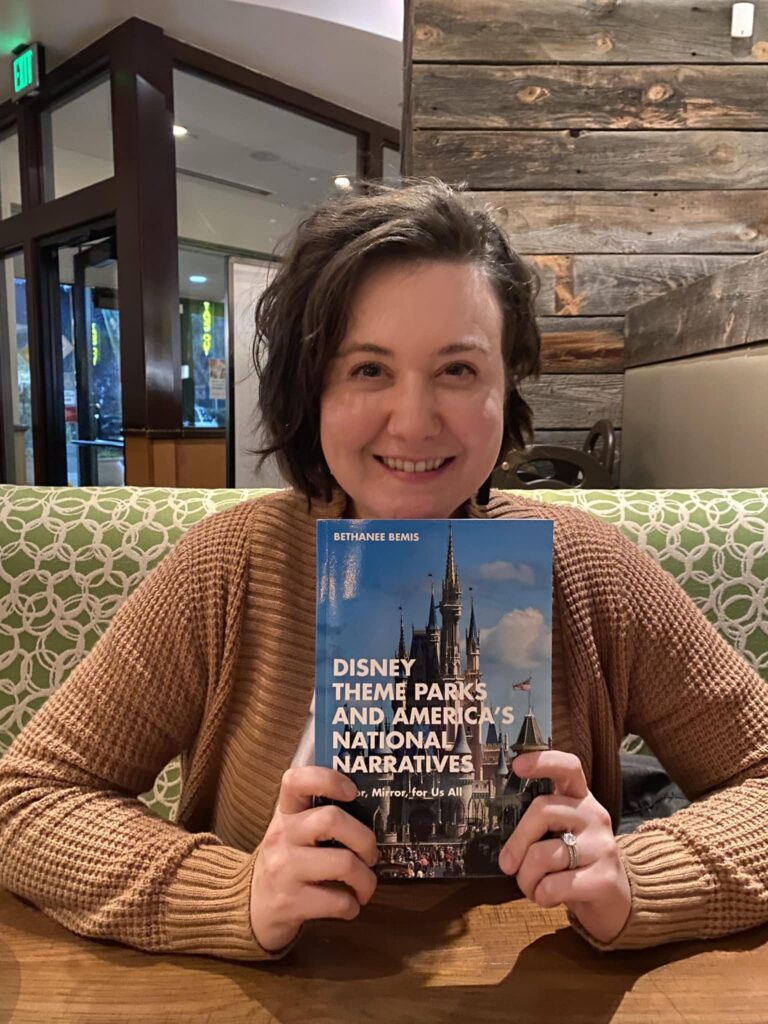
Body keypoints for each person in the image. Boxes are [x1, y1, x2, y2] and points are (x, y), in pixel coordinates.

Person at [0, 179, 766, 961]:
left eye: (458, 371)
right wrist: (234, 895)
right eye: (368, 369)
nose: (413, 420)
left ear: (508, 388)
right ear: (312, 391)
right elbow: (24, 802)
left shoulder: (590, 568)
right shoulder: (229, 567)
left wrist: (640, 881)